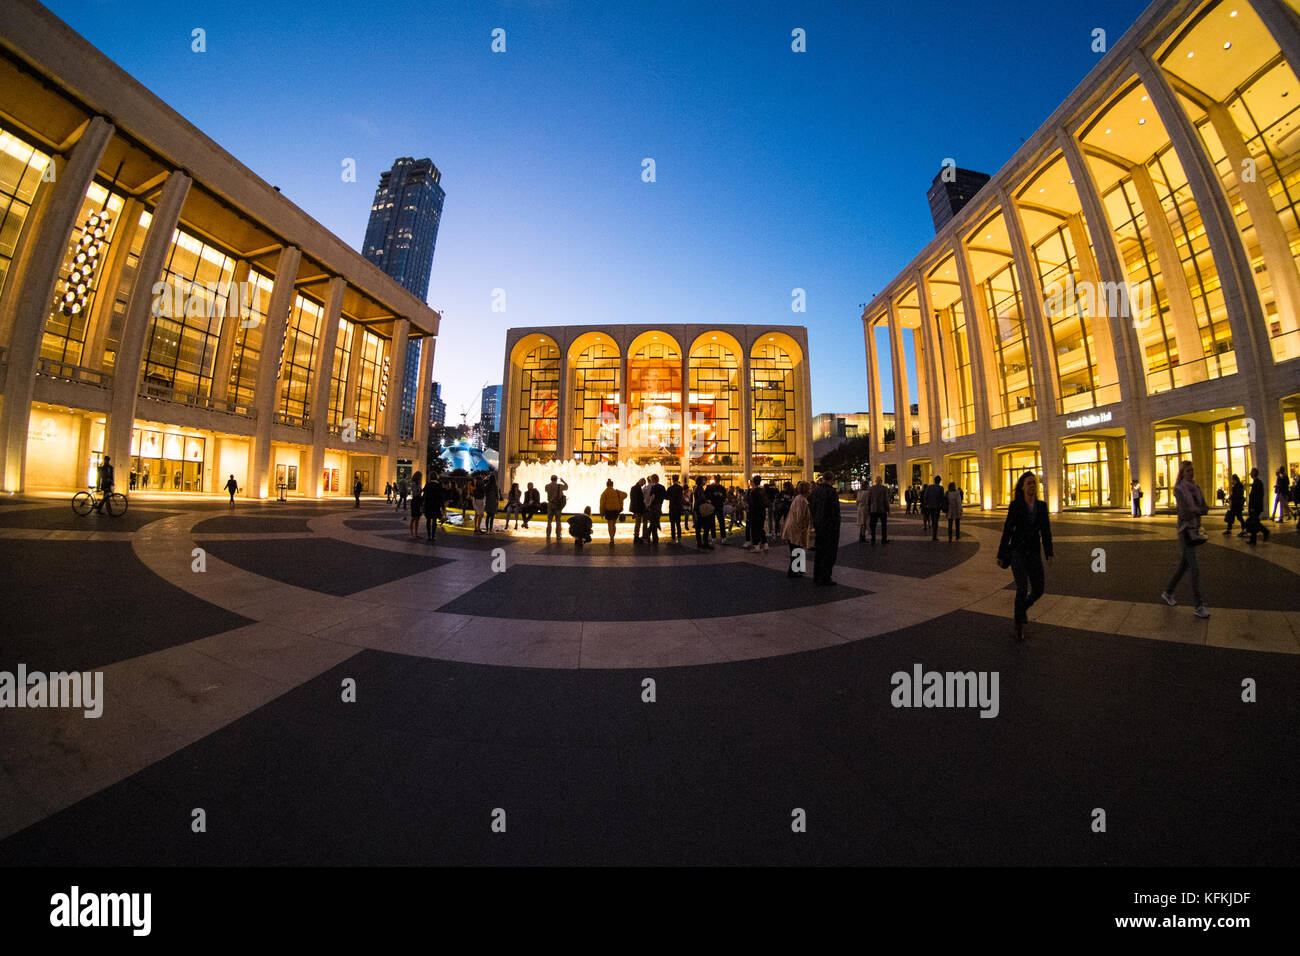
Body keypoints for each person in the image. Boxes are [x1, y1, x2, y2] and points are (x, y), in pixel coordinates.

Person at [997, 471, 1053, 642]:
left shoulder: (1042, 506)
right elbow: (1008, 530)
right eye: (1029, 483)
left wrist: (1049, 551)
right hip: (1018, 552)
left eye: (1034, 483)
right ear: (1022, 486)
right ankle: (1018, 623)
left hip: (1034, 552)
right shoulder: (1015, 505)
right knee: (1022, 588)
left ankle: (1021, 611)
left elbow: (1046, 530)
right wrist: (1001, 553)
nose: (1032, 486)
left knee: (1038, 589)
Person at [1160, 459, 1210, 619]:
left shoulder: (1196, 488)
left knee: (1184, 565)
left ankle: (1168, 592)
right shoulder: (1179, 489)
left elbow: (1205, 509)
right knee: (1194, 569)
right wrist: (1197, 510)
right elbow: (1184, 513)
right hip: (1184, 531)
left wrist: (1195, 510)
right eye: (1188, 471)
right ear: (1182, 473)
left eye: (1192, 470)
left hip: (1194, 529)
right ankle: (1198, 605)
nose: (1191, 473)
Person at [808, 472, 841, 585]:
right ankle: (825, 577)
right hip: (830, 527)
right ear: (831, 479)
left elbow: (812, 507)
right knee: (829, 553)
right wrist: (836, 525)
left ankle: (817, 576)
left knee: (819, 552)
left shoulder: (815, 491)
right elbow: (834, 512)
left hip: (819, 525)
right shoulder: (831, 492)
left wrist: (816, 521)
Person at [782, 481, 812, 577]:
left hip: (792, 527)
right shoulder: (802, 500)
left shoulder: (798, 498)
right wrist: (803, 527)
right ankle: (794, 571)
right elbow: (800, 516)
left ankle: (798, 569)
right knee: (797, 549)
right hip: (796, 529)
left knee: (796, 549)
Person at [744, 475, 769, 552]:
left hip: (754, 513)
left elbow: (752, 504)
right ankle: (765, 544)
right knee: (761, 528)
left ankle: (756, 545)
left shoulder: (753, 492)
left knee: (754, 529)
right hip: (762, 512)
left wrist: (748, 510)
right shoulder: (762, 491)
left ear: (753, 482)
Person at [1245, 466, 1270, 545]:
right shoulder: (1257, 483)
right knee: (1255, 522)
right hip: (1256, 507)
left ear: (1254, 474)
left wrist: (1253, 507)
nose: (1250, 474)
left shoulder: (1257, 483)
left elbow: (1257, 496)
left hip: (1255, 507)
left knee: (1254, 522)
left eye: (1251, 473)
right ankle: (1254, 539)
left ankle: (1264, 532)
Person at [599, 479, 627, 543]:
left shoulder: (604, 493)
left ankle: (611, 538)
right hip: (616, 510)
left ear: (606, 485)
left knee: (610, 525)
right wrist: (618, 494)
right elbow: (625, 495)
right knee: (614, 524)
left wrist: (602, 513)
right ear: (612, 485)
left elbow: (602, 504)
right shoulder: (616, 492)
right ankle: (613, 537)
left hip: (608, 511)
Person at [866, 475, 889, 545]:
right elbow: (886, 500)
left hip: (873, 510)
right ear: (881, 481)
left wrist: (869, 508)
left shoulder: (871, 488)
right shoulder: (884, 488)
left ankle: (873, 540)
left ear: (875, 481)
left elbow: (868, 500)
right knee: (884, 526)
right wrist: (888, 509)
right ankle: (883, 540)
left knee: (873, 526)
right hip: (882, 510)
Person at [921, 475, 945, 541]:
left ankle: (934, 534)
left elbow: (925, 496)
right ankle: (934, 535)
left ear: (934, 480)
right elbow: (942, 498)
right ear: (939, 481)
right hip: (937, 507)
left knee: (932, 519)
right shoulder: (941, 488)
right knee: (936, 521)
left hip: (930, 506)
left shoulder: (929, 487)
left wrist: (927, 503)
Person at [545, 474, 568, 540]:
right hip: (557, 505)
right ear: (556, 479)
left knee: (549, 521)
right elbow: (566, 487)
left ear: (551, 479)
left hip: (550, 505)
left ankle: (548, 535)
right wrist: (563, 481)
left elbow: (546, 491)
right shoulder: (559, 486)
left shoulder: (547, 486)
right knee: (558, 521)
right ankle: (558, 535)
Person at [693, 476, 713, 550]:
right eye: (703, 480)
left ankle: (701, 542)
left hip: (699, 509)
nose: (705, 482)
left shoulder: (698, 488)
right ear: (700, 481)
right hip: (701, 509)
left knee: (700, 527)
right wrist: (707, 501)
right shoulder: (699, 488)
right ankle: (704, 543)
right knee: (705, 526)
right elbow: (701, 498)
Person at [706, 476, 728, 544]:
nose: (717, 480)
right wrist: (719, 495)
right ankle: (720, 538)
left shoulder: (712, 487)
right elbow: (707, 495)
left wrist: (720, 495)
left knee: (718, 522)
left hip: (716, 506)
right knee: (719, 522)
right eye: (717, 479)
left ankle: (716, 538)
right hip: (716, 506)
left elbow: (724, 497)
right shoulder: (716, 487)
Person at [644, 474, 664, 544]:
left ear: (653, 479)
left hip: (653, 506)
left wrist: (649, 504)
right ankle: (655, 539)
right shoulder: (662, 487)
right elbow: (665, 496)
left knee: (653, 522)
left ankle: (647, 534)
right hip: (659, 506)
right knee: (655, 521)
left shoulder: (654, 487)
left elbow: (653, 496)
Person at [424, 473, 444, 542]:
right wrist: (442, 506)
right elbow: (441, 496)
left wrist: (423, 505)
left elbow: (424, 496)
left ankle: (429, 535)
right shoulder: (438, 485)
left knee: (428, 520)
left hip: (428, 505)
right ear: (436, 477)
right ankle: (433, 535)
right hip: (436, 505)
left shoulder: (427, 485)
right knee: (434, 521)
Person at [666, 475, 684, 542]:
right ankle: (679, 537)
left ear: (672, 480)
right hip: (678, 507)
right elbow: (682, 497)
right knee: (678, 523)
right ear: (677, 479)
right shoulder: (680, 488)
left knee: (672, 523)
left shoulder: (670, 488)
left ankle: (673, 538)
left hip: (672, 507)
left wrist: (671, 498)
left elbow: (666, 497)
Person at [408, 470, 424, 540]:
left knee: (417, 518)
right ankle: (412, 534)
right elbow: (415, 493)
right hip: (415, 501)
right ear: (417, 477)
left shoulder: (418, 484)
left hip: (418, 501)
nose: (421, 478)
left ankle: (416, 533)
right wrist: (421, 491)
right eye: (420, 477)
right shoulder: (414, 484)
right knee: (413, 517)